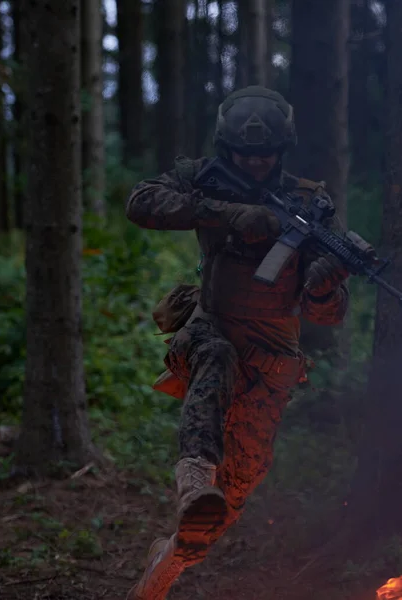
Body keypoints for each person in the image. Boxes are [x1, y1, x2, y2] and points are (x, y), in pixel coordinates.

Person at [125, 86, 350, 600]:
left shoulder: (309, 204)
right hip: (212, 328)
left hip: (273, 355)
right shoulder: (207, 180)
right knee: (216, 358)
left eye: (265, 153)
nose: (254, 162)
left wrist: (322, 286)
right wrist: (225, 214)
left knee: (241, 482)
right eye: (244, 154)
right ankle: (193, 482)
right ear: (227, 150)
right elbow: (141, 202)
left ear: (283, 151)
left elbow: (330, 315)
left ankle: (169, 562)